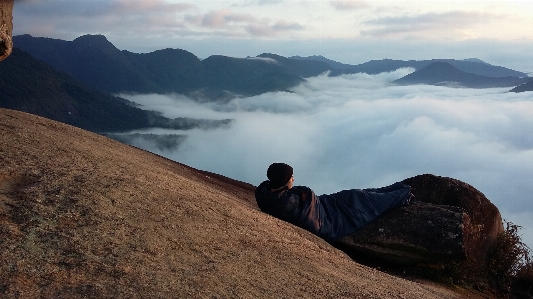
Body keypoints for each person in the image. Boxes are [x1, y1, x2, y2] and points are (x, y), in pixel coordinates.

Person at [255, 162, 414, 241]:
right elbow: (311, 218)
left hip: (324, 205)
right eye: (291, 177)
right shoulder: (284, 203)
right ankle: (400, 194)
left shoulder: (266, 192)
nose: (293, 179)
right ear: (284, 180)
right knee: (360, 203)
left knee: (352, 195)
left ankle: (395, 191)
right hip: (328, 218)